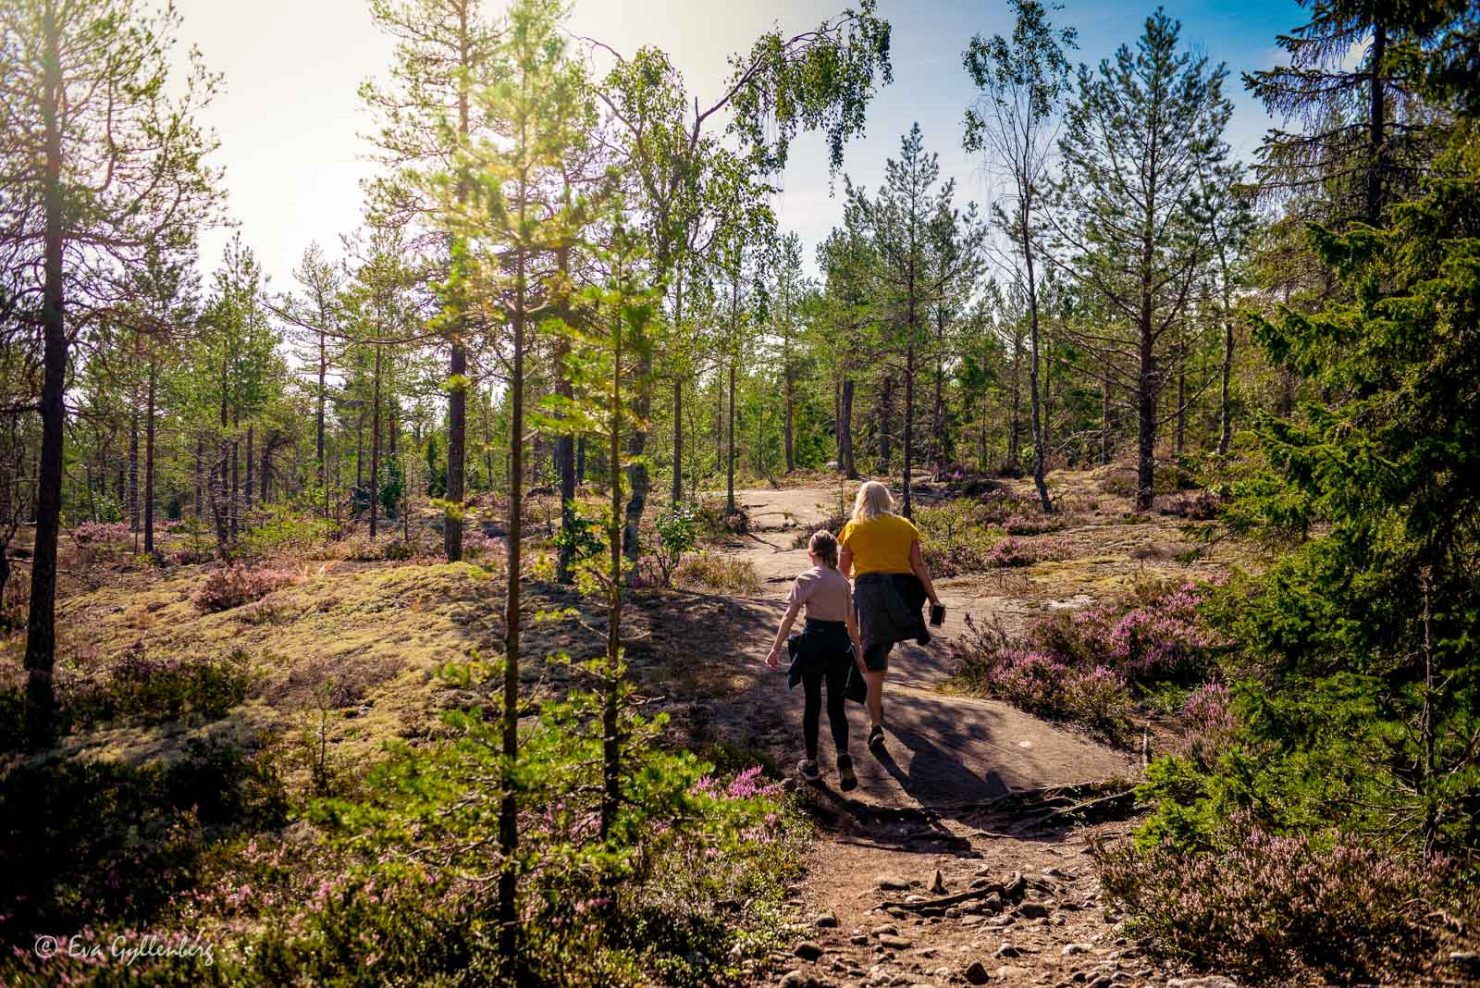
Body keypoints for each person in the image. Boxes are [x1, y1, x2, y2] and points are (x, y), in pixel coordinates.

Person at [838, 480, 942, 752]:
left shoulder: (852, 528)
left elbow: (842, 574)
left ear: (862, 499)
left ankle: (875, 725)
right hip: (901, 595)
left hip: (869, 597)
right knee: (880, 653)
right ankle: (877, 706)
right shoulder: (905, 526)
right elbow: (917, 565)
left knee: (874, 663)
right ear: (887, 499)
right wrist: (933, 599)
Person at [766, 530, 864, 790]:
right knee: (836, 706)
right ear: (832, 553)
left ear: (813, 554)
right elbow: (851, 623)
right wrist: (859, 654)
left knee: (812, 704)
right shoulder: (843, 583)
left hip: (814, 643)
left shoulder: (806, 579)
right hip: (839, 645)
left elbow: (789, 616)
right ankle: (843, 754)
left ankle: (811, 763)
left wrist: (775, 648)